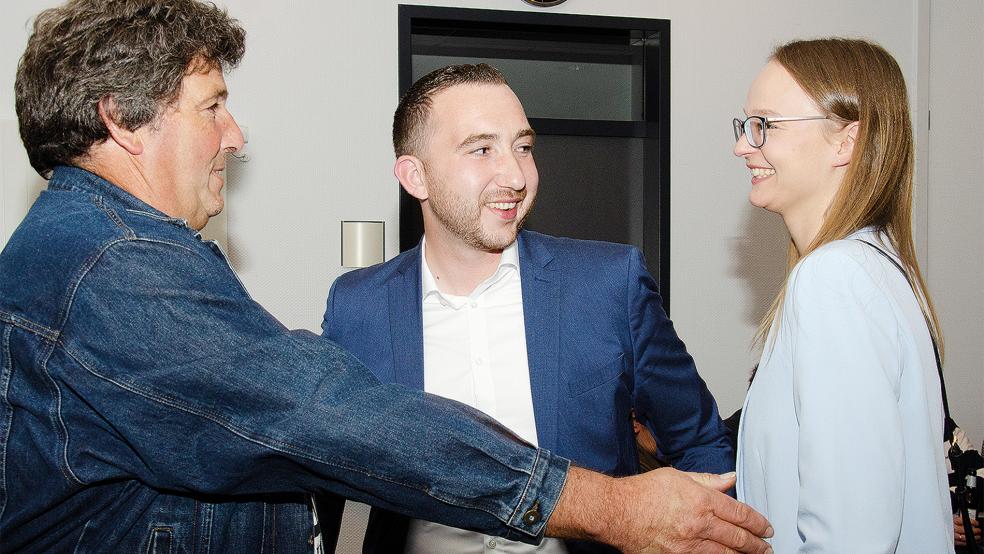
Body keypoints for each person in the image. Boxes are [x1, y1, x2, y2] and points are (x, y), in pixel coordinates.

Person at [0, 1, 775, 552]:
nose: (236, 136)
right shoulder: (114, 267)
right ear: (121, 121)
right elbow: (320, 416)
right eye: (213, 107)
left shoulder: (98, 250)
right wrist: (605, 505)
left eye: (525, 144)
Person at [321, 63, 734, 553]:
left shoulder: (607, 284)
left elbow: (699, 441)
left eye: (523, 147)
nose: (516, 176)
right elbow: (322, 469)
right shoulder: (358, 306)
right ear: (416, 176)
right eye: (482, 149)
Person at [732, 37, 951, 551]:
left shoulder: (836, 279)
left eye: (765, 124)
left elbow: (851, 538)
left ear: (846, 141)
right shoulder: (871, 267)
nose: (743, 145)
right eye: (745, 125)